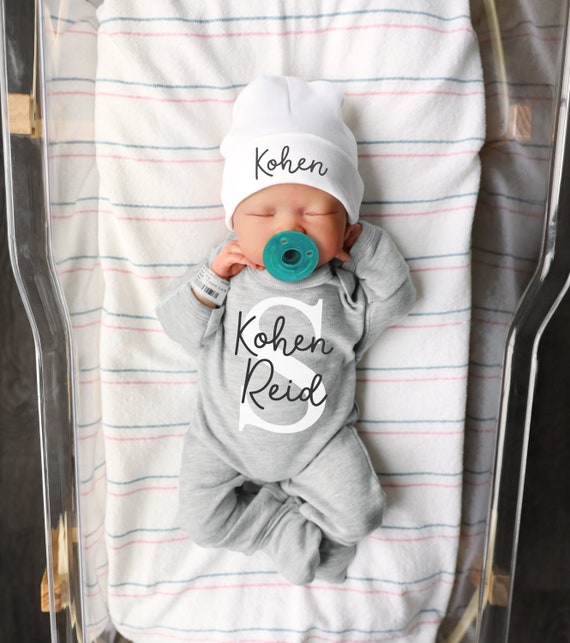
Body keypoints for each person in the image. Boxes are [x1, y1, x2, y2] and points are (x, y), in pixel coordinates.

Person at [156, 76, 416, 585]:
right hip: (222, 439)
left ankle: (311, 536)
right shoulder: (229, 275)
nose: (290, 229)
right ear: (235, 221)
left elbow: (397, 298)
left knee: (362, 516)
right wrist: (212, 278)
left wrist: (365, 247)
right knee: (201, 523)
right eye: (264, 212)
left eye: (316, 212)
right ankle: (282, 529)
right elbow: (180, 328)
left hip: (320, 442)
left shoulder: (343, 288)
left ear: (346, 223)